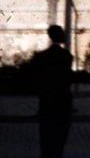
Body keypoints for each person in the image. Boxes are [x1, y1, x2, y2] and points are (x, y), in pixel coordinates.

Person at [26, 24, 72, 158]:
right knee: (59, 140)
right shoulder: (66, 56)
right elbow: (66, 80)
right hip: (63, 101)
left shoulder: (41, 56)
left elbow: (32, 77)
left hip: (47, 101)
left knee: (46, 139)